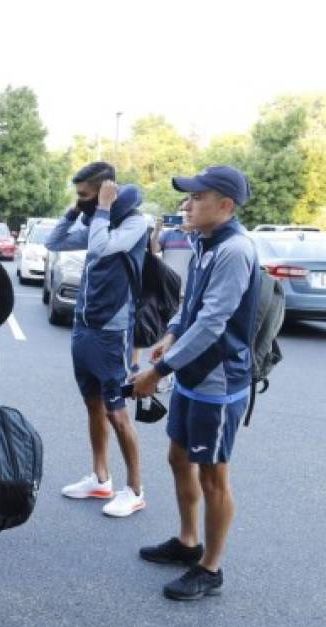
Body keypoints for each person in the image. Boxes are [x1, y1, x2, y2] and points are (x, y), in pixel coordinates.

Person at [131, 165, 258, 601]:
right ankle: (188, 543)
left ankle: (211, 569)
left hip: (218, 381)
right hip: (192, 373)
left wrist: (157, 372)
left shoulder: (235, 250)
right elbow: (189, 308)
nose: (186, 204)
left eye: (196, 197)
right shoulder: (205, 243)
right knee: (178, 457)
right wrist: (168, 337)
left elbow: (212, 323)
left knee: (213, 476)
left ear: (225, 206)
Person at [45, 162, 150, 518]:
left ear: (108, 191)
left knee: (117, 413)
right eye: (80, 198)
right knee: (92, 404)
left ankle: (134, 489)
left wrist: (102, 209)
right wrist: (77, 209)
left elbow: (104, 248)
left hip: (112, 332)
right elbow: (55, 241)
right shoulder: (93, 219)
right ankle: (100, 477)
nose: (83, 203)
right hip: (83, 326)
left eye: (85, 195)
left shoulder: (135, 223)